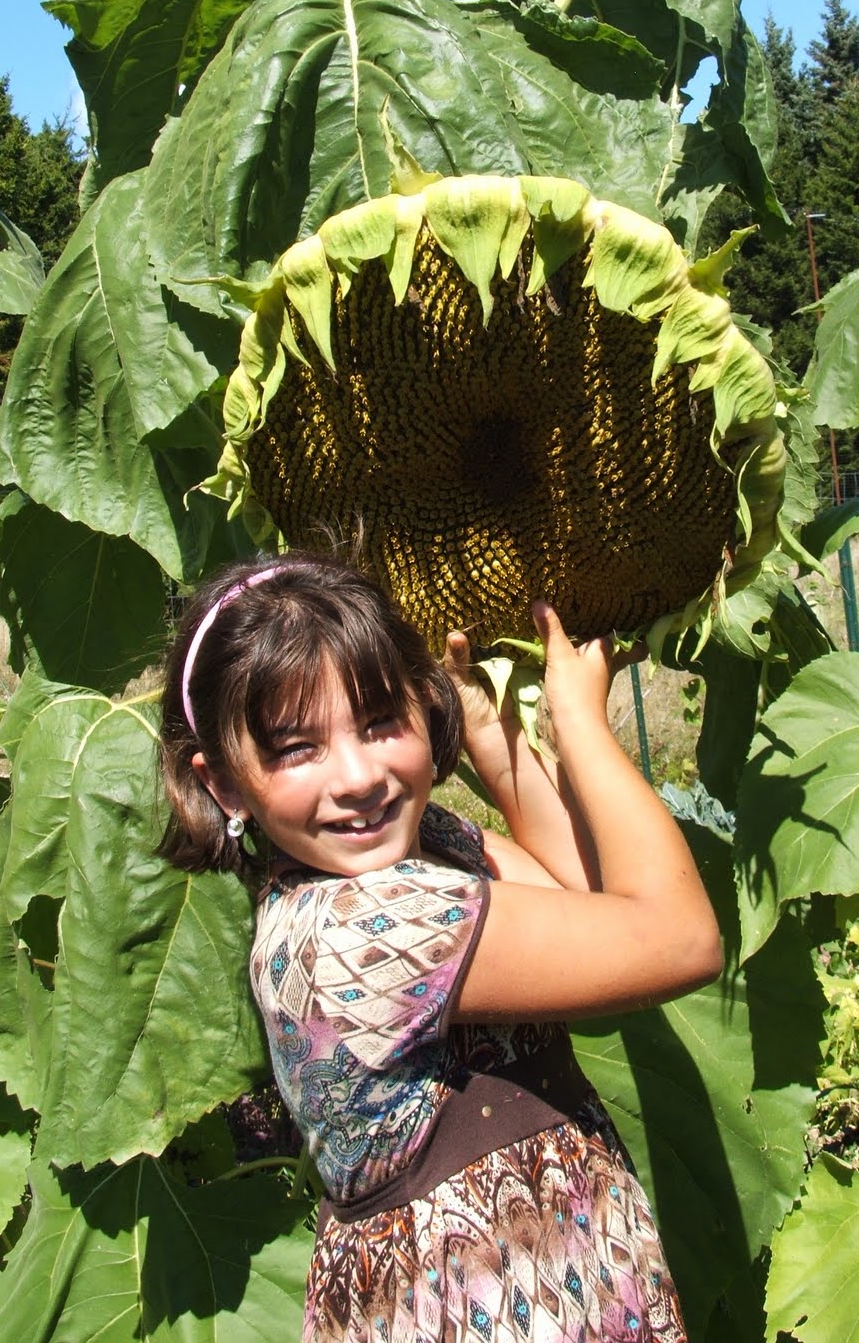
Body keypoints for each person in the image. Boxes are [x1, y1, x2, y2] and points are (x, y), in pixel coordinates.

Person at [158, 552, 722, 1343]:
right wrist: (582, 724)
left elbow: (583, 905)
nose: (357, 776)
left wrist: (493, 742)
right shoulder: (358, 927)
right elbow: (679, 939)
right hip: (487, 1306)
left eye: (381, 721)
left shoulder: (423, 850)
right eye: (296, 749)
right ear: (221, 785)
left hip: (564, 1277)